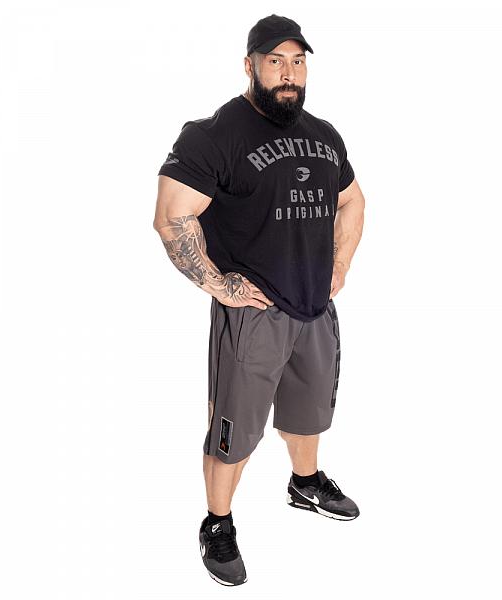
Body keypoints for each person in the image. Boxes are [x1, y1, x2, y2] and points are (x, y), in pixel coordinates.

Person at [153, 14, 365, 586]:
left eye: (298, 61)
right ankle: (217, 522)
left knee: (310, 410)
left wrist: (339, 265)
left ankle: (305, 483)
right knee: (234, 429)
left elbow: (353, 200)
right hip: (253, 313)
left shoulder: (324, 134)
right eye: (276, 61)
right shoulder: (214, 134)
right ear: (250, 65)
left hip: (314, 305)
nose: (288, 73)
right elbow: (171, 216)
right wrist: (219, 286)